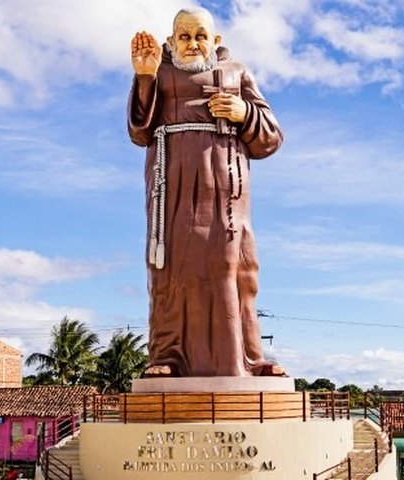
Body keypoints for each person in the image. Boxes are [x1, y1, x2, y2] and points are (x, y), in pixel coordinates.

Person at [128, 7, 285, 377]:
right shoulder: (159, 72)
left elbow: (272, 138)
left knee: (234, 269)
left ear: (216, 41)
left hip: (227, 192)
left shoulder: (237, 73)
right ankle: (167, 358)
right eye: (184, 36)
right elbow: (139, 133)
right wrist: (145, 78)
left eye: (201, 35)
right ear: (171, 41)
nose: (193, 43)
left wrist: (243, 112)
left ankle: (247, 359)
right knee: (170, 270)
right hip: (172, 190)